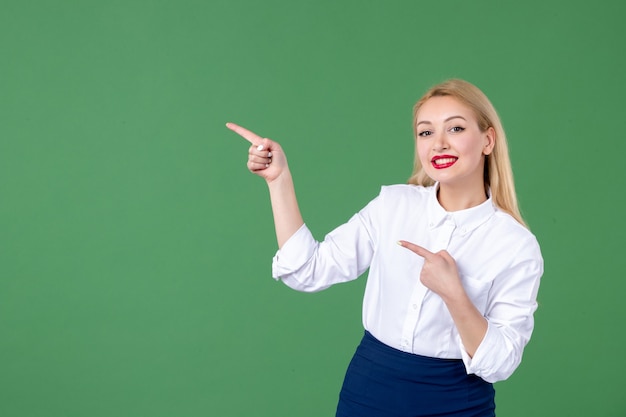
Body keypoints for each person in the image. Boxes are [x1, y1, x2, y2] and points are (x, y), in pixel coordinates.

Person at [226, 79, 543, 417]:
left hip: (456, 402)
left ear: (487, 140)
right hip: (370, 392)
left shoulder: (515, 245)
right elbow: (308, 270)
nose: (439, 144)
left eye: (455, 128)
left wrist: (455, 295)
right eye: (425, 132)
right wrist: (279, 180)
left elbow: (500, 364)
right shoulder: (392, 205)